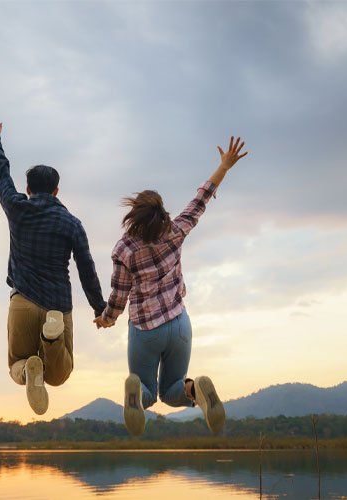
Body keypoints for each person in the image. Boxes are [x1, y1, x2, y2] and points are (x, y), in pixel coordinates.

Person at [95, 136, 248, 435]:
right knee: (174, 390)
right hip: (179, 325)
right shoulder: (175, 231)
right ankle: (196, 392)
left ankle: (136, 395)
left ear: (134, 216)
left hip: (146, 332)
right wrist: (224, 166)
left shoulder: (124, 248)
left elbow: (119, 296)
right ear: (161, 211)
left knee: (150, 393)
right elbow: (201, 199)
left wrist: (106, 319)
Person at [0, 109, 107, 416]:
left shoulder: (17, 207)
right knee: (59, 375)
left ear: (28, 189)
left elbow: (2, 174)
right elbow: (86, 269)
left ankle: (28, 373)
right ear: (56, 191)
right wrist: (99, 308)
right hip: (58, 306)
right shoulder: (72, 223)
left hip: (22, 301)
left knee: (17, 365)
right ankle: (51, 338)